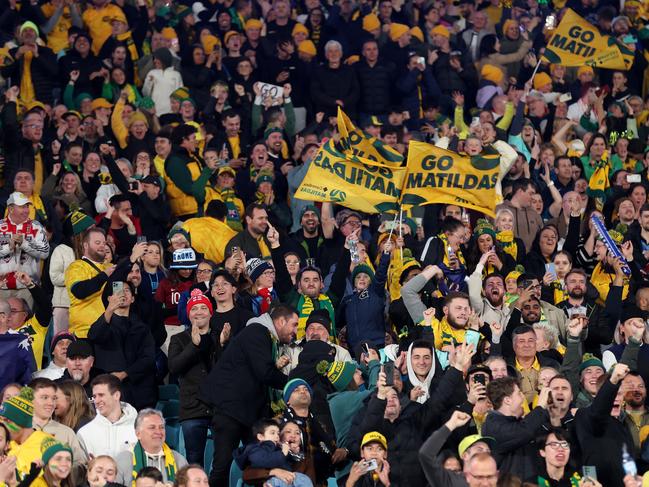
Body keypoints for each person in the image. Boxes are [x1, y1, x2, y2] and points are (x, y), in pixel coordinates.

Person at [201, 304, 298, 487]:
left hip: (247, 412)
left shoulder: (266, 336)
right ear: (281, 321)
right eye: (293, 325)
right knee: (223, 465)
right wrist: (291, 384)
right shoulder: (257, 332)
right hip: (230, 409)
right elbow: (265, 373)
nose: (295, 331)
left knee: (258, 462)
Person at [88, 279, 156, 410]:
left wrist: (125, 373)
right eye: (118, 291)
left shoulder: (142, 328)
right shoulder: (104, 324)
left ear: (132, 299)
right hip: (108, 387)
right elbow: (94, 336)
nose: (123, 294)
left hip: (138, 391)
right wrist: (109, 309)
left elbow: (148, 358)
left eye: (127, 290)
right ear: (109, 298)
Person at [168, 288, 217, 466]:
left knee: (222, 461)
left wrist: (223, 345)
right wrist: (194, 346)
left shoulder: (220, 336)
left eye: (203, 308)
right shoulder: (178, 339)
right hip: (192, 409)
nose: (199, 312)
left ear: (211, 313)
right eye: (194, 309)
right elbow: (174, 367)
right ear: (188, 315)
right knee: (194, 461)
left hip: (219, 407)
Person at [481, 376, 550, 480]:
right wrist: (540, 408)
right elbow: (523, 432)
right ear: (508, 400)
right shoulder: (492, 425)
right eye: (518, 393)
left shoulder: (517, 423)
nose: (523, 398)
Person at [29, 378, 87, 479]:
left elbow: (81, 465)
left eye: (54, 398)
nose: (51, 403)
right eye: (44, 397)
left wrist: (63, 468)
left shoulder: (66, 432)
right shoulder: (19, 430)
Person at [115, 409, 188, 485]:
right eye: (152, 427)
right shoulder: (124, 459)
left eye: (161, 427)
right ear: (138, 434)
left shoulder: (179, 459)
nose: (158, 432)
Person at [0, 192, 50, 303]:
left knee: (27, 320)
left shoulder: (36, 226)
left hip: (27, 287)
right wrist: (8, 247)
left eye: (27, 206)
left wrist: (25, 244)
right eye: (22, 207)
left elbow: (45, 252)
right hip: (1, 287)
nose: (26, 210)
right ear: (11, 209)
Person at [233, 418, 313, 487]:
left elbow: (311, 482)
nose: (293, 435)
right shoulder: (262, 449)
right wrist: (274, 471)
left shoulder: (306, 459)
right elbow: (247, 475)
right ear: (280, 437)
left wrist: (293, 454)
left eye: (297, 433)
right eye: (288, 431)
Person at [0, 386, 54, 482]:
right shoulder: (5, 445)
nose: (2, 427)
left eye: (6, 421)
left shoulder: (48, 445)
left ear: (20, 421)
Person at [76, 374, 138, 458]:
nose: (96, 401)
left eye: (101, 395)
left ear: (116, 395)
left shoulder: (139, 429)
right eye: (94, 396)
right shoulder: (84, 433)